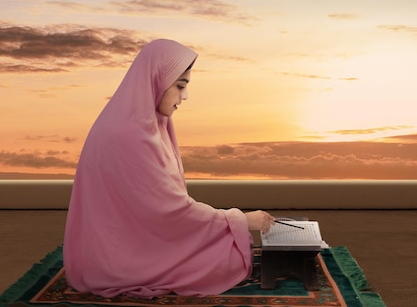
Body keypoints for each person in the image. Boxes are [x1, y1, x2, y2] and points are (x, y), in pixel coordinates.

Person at [63, 39, 275, 298]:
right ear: (157, 81)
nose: (184, 96)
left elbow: (162, 208)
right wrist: (240, 219)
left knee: (226, 248)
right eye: (180, 86)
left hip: (130, 241)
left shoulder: (146, 123)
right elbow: (169, 210)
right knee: (227, 259)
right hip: (118, 258)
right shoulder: (129, 135)